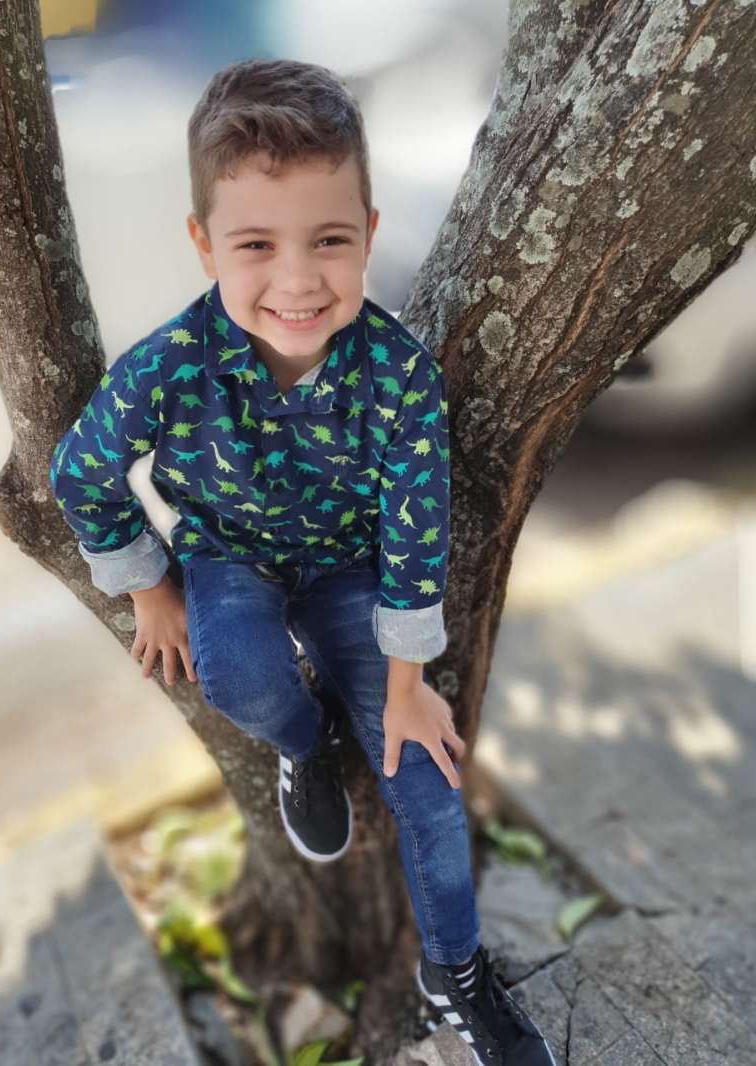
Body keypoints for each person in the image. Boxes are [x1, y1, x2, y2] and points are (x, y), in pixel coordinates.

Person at [49, 57, 556, 1066]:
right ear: (203, 244)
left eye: (329, 239)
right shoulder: (169, 365)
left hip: (347, 570)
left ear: (369, 231)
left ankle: (452, 971)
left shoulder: (399, 376)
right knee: (233, 669)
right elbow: (79, 474)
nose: (296, 279)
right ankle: (305, 741)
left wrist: (405, 689)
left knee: (425, 778)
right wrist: (149, 586)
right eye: (255, 244)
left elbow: (414, 533)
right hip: (225, 554)